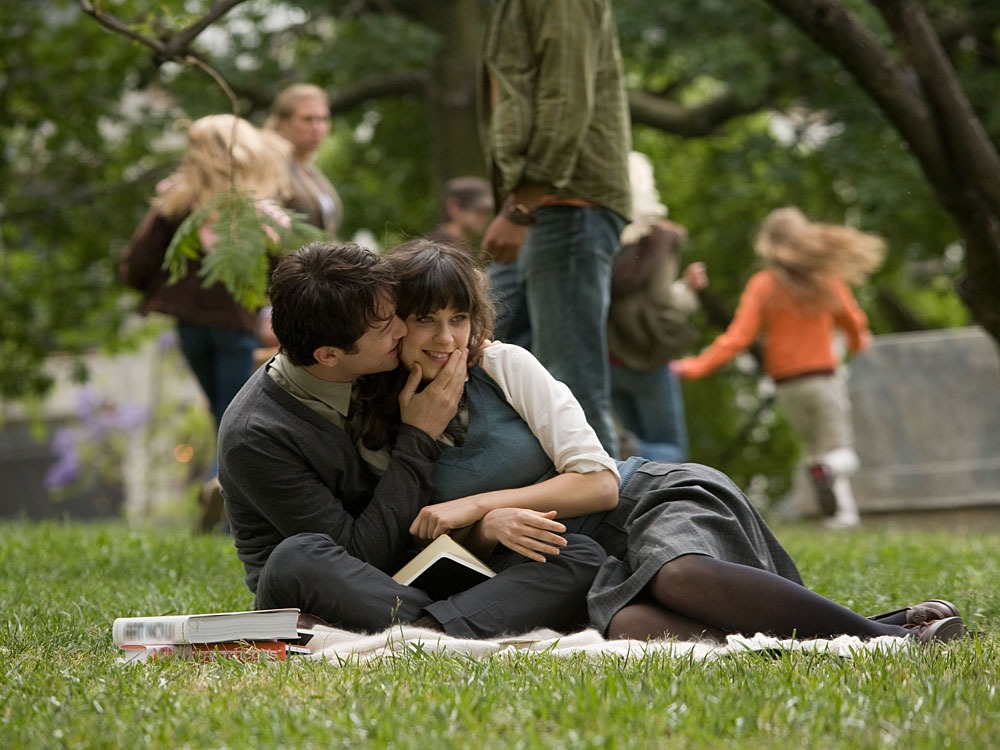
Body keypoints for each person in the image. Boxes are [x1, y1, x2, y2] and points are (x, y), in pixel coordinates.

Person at [358, 239, 965, 645]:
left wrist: (475, 505)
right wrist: (485, 524)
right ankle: (875, 629)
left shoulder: (505, 365)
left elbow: (598, 483)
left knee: (677, 576)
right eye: (425, 319)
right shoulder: (381, 424)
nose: (445, 338)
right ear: (393, 323)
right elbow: (419, 532)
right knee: (633, 628)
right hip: (581, 563)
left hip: (642, 500)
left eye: (458, 319)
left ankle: (890, 643)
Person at [216, 241, 607, 638]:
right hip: (346, 584)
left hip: (428, 573)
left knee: (579, 556)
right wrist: (419, 435)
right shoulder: (256, 435)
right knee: (296, 558)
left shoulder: (375, 371)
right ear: (329, 355)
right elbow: (358, 555)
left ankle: (428, 631)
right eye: (386, 327)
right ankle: (448, 627)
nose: (402, 329)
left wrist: (462, 344)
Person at [120, 114, 295, 530]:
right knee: (232, 409)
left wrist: (161, 284)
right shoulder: (257, 213)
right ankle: (223, 486)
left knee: (219, 405)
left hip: (189, 325)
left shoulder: (176, 205)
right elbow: (286, 272)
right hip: (234, 325)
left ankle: (220, 488)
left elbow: (136, 263)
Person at [479, 0, 632, 455]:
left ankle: (616, 517)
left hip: (565, 202)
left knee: (572, 386)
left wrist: (522, 207)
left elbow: (566, 99)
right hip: (542, 201)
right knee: (480, 351)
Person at [673, 207, 886, 530]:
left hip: (787, 386)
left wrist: (695, 366)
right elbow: (852, 320)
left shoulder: (763, 284)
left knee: (816, 450)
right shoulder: (825, 280)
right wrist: (858, 344)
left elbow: (737, 337)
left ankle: (842, 517)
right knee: (839, 453)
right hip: (823, 380)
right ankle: (830, 474)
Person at [608, 152, 708, 462]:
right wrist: (689, 289)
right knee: (672, 452)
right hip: (648, 356)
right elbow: (663, 301)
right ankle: (627, 448)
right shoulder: (660, 238)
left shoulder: (601, 234)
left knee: (638, 457)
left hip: (608, 358)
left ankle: (626, 449)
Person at [265, 83, 343, 238]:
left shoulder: (310, 170)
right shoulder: (269, 166)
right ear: (283, 123)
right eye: (308, 119)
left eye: (323, 119)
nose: (317, 127)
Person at [425, 176, 495, 257]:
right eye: (479, 211)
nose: (485, 217)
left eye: (487, 212)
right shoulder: (436, 251)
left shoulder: (459, 247)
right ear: (454, 207)